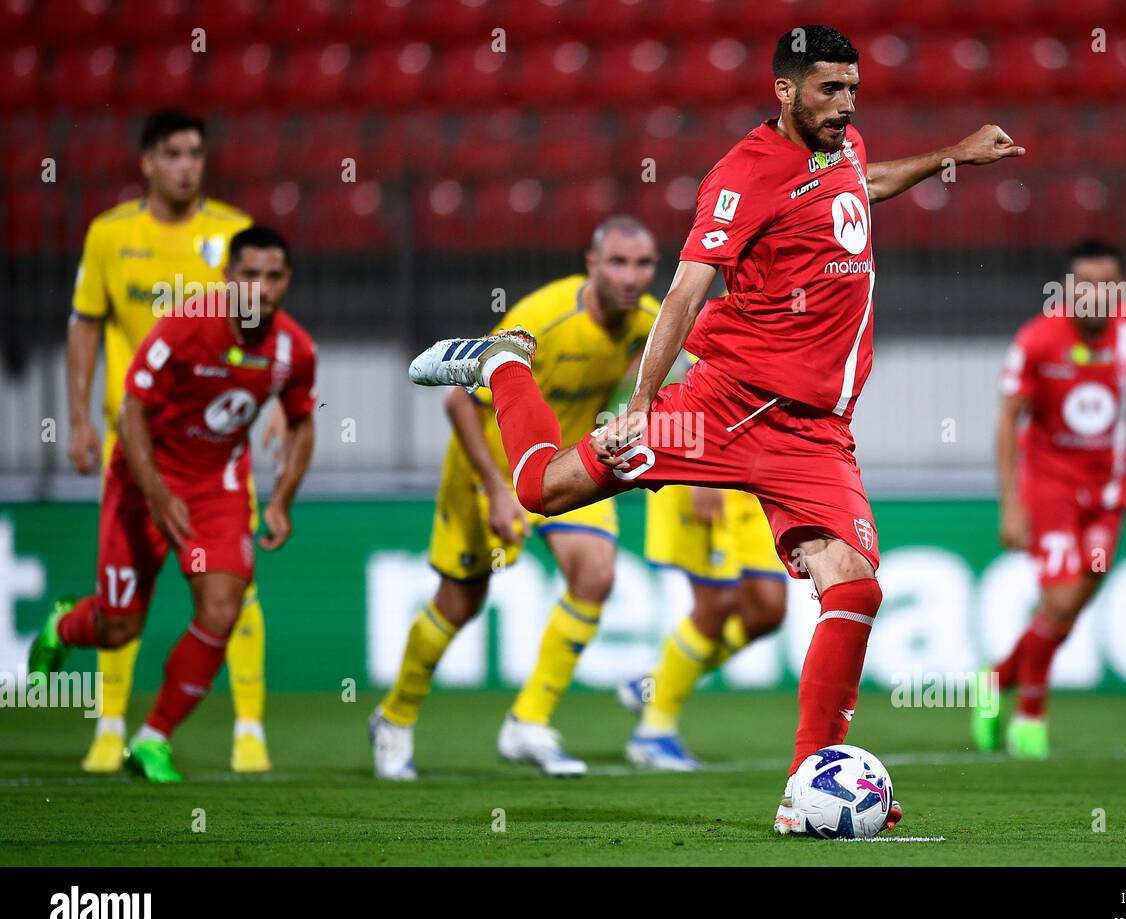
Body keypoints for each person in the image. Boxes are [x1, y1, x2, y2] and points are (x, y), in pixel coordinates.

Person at [408, 25, 1023, 834]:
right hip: (725, 408)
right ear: (785, 90)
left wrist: (953, 156)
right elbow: (685, 293)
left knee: (856, 584)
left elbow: (859, 184)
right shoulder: (742, 174)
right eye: (829, 90)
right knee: (541, 489)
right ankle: (503, 365)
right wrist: (641, 401)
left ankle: (812, 781)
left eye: (853, 89)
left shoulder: (840, 146)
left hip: (814, 435)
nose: (845, 105)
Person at [369, 216, 659, 779]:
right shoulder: (540, 320)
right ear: (592, 263)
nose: (631, 275)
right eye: (619, 262)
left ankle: (527, 722)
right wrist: (499, 491)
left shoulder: (645, 322)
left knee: (596, 575)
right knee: (461, 602)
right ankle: (395, 717)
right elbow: (460, 403)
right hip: (492, 469)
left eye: (644, 263)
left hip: (566, 465)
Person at [29, 227, 316, 783]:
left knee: (221, 608)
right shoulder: (187, 327)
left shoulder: (293, 349)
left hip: (216, 489)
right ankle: (64, 626)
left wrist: (281, 499)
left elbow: (303, 420)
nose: (259, 288)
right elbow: (133, 410)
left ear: (287, 281)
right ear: (229, 277)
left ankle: (153, 738)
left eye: (272, 276)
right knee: (119, 628)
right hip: (142, 482)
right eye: (248, 275)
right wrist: (158, 495)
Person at [66, 109, 280, 774]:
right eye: (175, 153)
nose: (189, 164)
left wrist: (270, 403)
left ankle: (249, 729)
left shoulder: (232, 235)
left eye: (196, 152)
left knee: (233, 587)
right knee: (126, 594)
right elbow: (85, 326)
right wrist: (77, 416)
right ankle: (108, 726)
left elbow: (259, 327)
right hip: (135, 445)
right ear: (148, 162)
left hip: (215, 450)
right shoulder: (110, 236)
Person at [976, 239, 1126, 758]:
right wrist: (1011, 502)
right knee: (1063, 597)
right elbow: (1008, 420)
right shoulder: (1039, 339)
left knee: (1069, 606)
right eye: (1085, 284)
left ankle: (996, 682)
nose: (1095, 294)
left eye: (1107, 283)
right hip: (1051, 489)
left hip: (1110, 496)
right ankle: (1030, 717)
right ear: (1067, 289)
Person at [619, 353, 787, 771]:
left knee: (767, 609)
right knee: (716, 605)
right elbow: (690, 383)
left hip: (754, 479)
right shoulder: (729, 312)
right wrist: (698, 473)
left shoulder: (806, 313)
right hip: (702, 467)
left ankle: (656, 684)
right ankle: (653, 732)